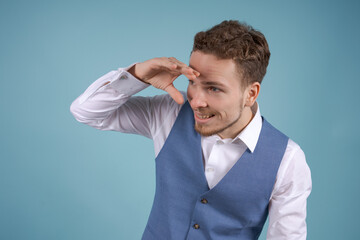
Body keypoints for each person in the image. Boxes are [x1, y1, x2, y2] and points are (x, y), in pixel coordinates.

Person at [70, 20, 312, 240]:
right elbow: (86, 111)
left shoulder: (287, 160)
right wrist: (137, 75)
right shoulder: (170, 113)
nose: (196, 101)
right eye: (192, 82)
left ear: (251, 93)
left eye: (214, 89)